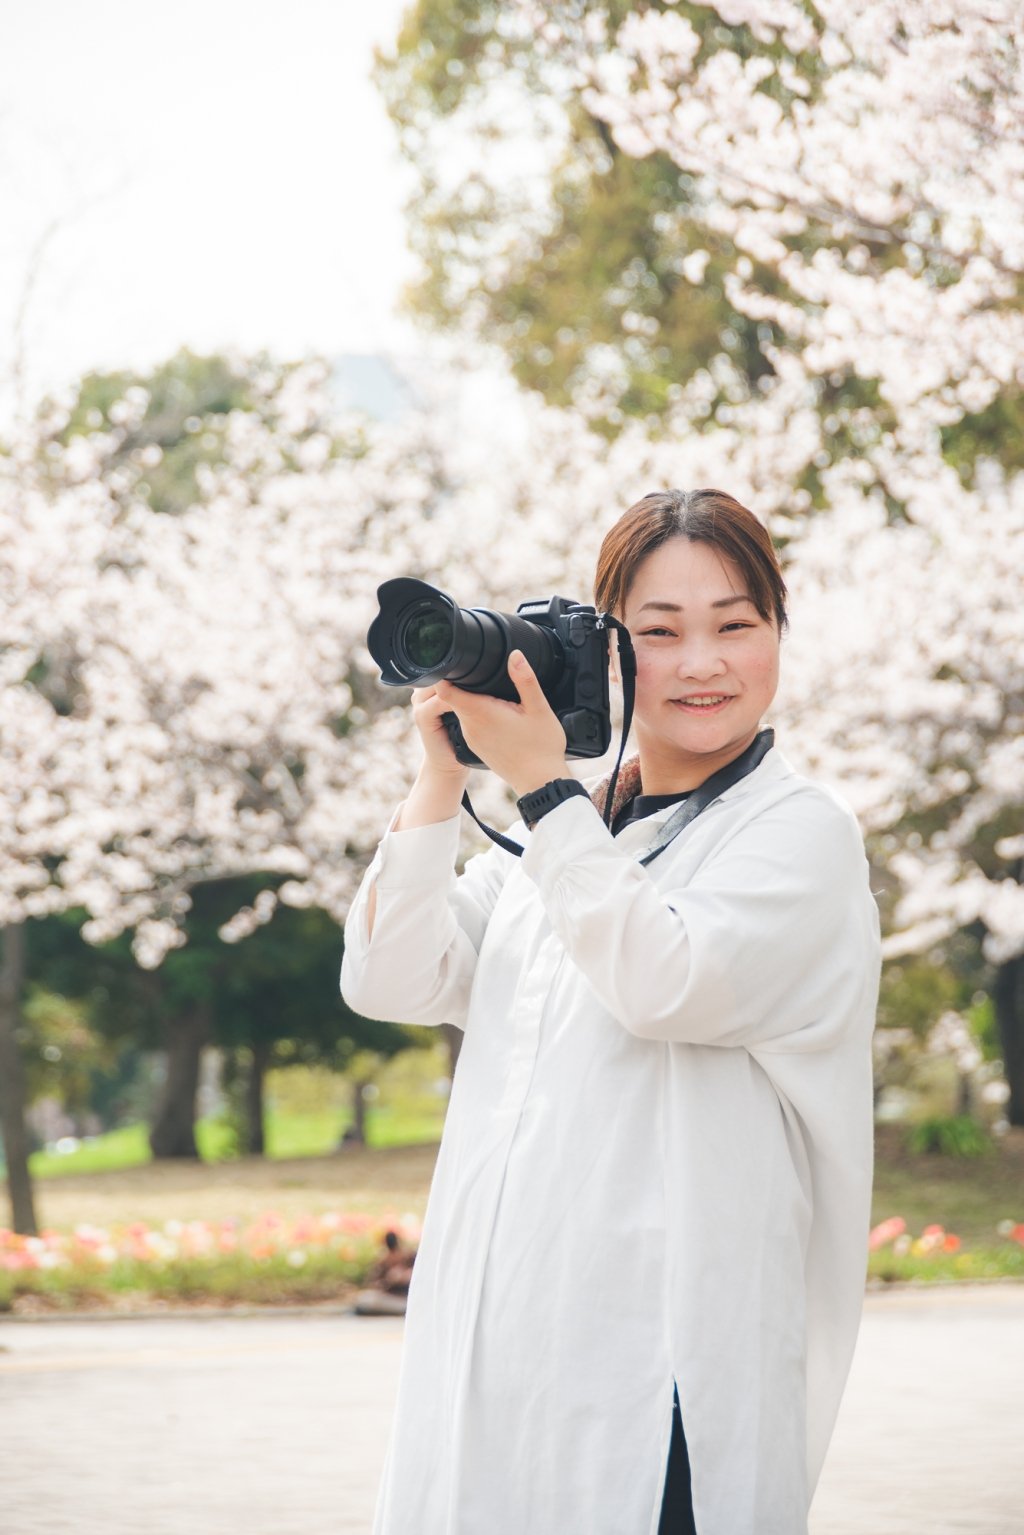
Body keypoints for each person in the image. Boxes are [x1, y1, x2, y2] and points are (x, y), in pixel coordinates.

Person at [341, 488, 881, 1535]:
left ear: (777, 633)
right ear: (612, 652)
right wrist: (438, 779)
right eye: (660, 632)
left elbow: (666, 979)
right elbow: (390, 978)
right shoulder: (573, 835)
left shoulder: (801, 834)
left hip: (664, 1372)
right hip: (499, 1351)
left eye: (735, 624)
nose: (701, 663)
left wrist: (543, 791)